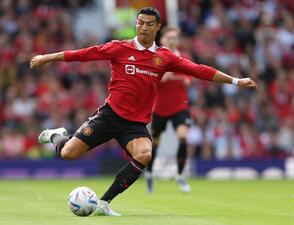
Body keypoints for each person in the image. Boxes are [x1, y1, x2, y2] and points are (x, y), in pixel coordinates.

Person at [30, 7, 257, 216]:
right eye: (140, 23)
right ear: (136, 24)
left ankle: (104, 203)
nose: (143, 28)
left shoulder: (164, 57)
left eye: (149, 24)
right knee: (68, 153)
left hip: (135, 123)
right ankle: (55, 135)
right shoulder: (119, 48)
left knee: (144, 154)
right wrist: (47, 58)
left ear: (158, 27)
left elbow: (200, 70)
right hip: (110, 115)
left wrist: (236, 81)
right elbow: (83, 54)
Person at [145, 26, 192, 193]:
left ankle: (179, 175)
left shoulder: (183, 58)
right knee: (155, 144)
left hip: (179, 107)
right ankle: (149, 173)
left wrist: (182, 79)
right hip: (160, 109)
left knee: (183, 137)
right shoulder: (156, 58)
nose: (172, 40)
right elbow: (151, 80)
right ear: (162, 40)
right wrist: (166, 77)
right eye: (169, 38)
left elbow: (189, 77)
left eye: (175, 38)